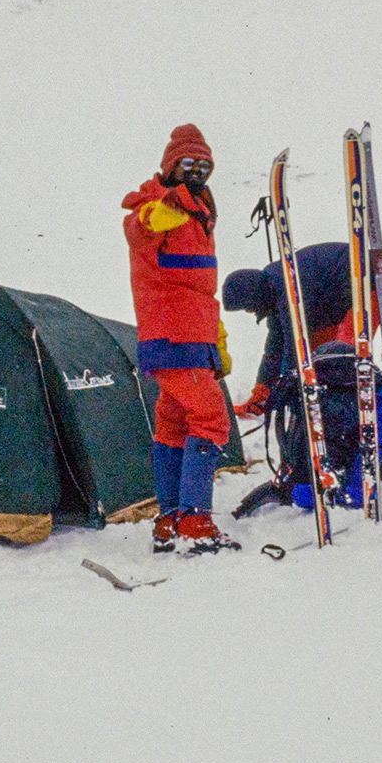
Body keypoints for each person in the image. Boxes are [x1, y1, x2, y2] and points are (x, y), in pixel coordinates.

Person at [122, 124, 239, 553]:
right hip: (173, 335)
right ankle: (194, 521)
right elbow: (141, 226)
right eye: (188, 163)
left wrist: (216, 341)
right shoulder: (154, 206)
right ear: (171, 165)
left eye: (204, 165)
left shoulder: (199, 216)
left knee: (174, 422)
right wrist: (163, 210)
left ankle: (169, 521)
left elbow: (201, 290)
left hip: (191, 335)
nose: (196, 172)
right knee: (211, 417)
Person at [222, 243, 353, 515]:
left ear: (254, 295)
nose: (250, 313)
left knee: (340, 364)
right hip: (332, 306)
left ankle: (349, 441)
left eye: (248, 307)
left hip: (361, 284)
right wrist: (262, 391)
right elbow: (276, 346)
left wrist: (286, 384)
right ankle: (321, 448)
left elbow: (296, 343)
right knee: (319, 369)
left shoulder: (285, 286)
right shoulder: (274, 288)